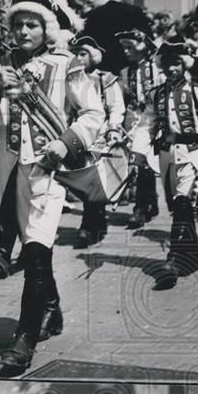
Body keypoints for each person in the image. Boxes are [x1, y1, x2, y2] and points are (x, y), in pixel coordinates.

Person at [0, 0, 105, 373]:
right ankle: (52, 310)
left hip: (48, 170)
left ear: (47, 27)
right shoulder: (1, 64)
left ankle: (24, 338)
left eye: (32, 23)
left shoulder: (67, 65)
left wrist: (65, 142)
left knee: (35, 252)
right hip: (12, 168)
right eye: (17, 24)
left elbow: (93, 113)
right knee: (34, 247)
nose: (23, 31)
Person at [130, 36, 198, 289]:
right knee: (176, 205)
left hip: (193, 154)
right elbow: (146, 125)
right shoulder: (155, 95)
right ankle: (189, 257)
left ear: (185, 65)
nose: (171, 69)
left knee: (183, 203)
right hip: (167, 157)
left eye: (176, 64)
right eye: (166, 64)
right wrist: (138, 153)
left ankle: (176, 259)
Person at [70, 33, 126, 246]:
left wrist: (113, 127)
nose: (79, 58)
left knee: (97, 178)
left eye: (82, 54)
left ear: (92, 56)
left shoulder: (105, 78)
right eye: (75, 54)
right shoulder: (71, 78)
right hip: (78, 133)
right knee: (83, 177)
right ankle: (95, 219)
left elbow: (116, 106)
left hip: (101, 134)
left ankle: (90, 223)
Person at [114, 28, 162, 229]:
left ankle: (143, 207)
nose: (126, 52)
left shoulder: (157, 70)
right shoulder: (125, 72)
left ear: (142, 48)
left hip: (153, 120)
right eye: (123, 47)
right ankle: (146, 204)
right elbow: (122, 99)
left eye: (130, 47)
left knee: (147, 164)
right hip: (133, 121)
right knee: (139, 163)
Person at [82, 0, 152, 75]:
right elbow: (149, 42)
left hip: (101, 72)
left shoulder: (93, 14)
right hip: (128, 71)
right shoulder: (135, 13)